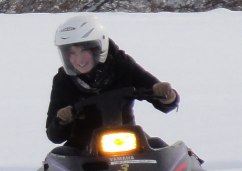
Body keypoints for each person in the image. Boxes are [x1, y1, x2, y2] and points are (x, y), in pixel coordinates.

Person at [46, 13, 178, 150]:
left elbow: (159, 96)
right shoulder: (63, 80)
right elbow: (53, 136)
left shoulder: (122, 65)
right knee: (59, 156)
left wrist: (167, 96)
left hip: (128, 139)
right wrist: (61, 121)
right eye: (72, 53)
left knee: (162, 150)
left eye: (84, 50)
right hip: (83, 147)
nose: (79, 59)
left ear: (99, 48)